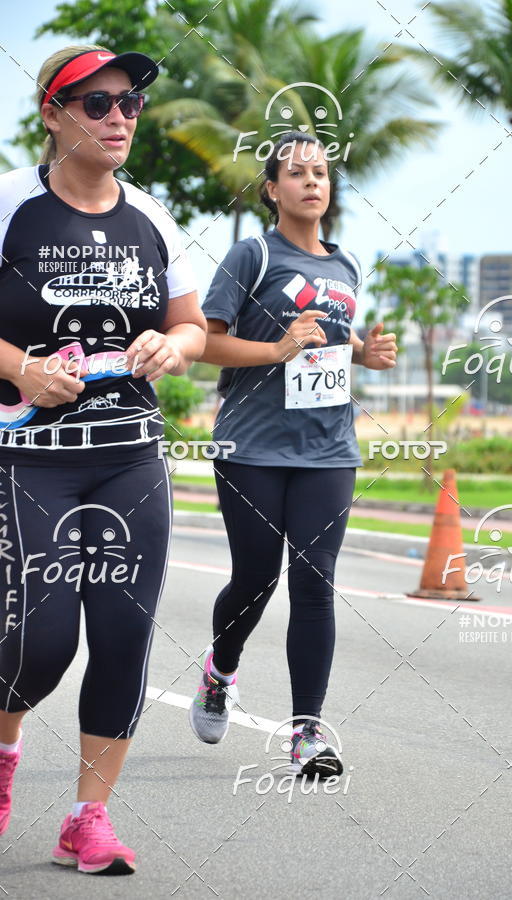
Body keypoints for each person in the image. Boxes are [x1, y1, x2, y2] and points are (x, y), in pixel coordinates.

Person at [0, 45, 206, 874]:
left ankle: (90, 818)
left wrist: (172, 344)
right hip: (32, 460)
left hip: (130, 458)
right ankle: (6, 754)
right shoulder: (12, 204)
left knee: (122, 637)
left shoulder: (151, 215)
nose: (119, 117)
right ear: (53, 114)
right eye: (98, 103)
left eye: (131, 104)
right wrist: (22, 369)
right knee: (38, 644)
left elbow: (192, 326)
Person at [189, 131, 397, 776]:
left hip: (329, 448)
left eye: (322, 173)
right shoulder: (251, 255)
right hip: (251, 445)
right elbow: (204, 342)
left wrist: (364, 352)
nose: (313, 182)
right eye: (298, 173)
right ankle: (221, 670)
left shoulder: (348, 265)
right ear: (273, 189)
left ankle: (308, 731)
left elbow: (333, 331)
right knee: (256, 579)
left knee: (315, 585)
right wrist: (276, 349)